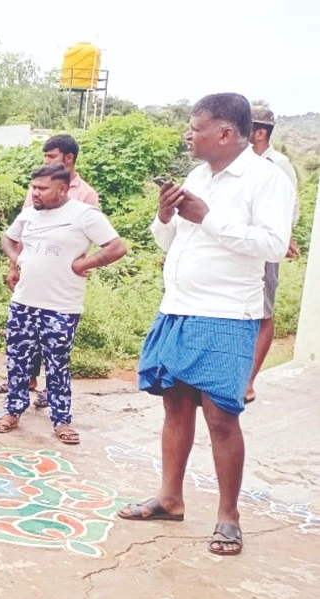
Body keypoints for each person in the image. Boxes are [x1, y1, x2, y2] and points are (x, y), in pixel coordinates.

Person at [119, 93, 294, 557]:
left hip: (226, 315)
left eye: (196, 127)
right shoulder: (199, 176)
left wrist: (208, 218)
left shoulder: (267, 179)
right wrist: (164, 215)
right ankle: (169, 498)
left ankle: (228, 517)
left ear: (224, 133)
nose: (188, 134)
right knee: (175, 405)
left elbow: (274, 245)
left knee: (220, 416)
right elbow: (171, 238)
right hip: (177, 307)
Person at [0, 164, 128, 444]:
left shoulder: (84, 215)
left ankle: (61, 421)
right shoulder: (30, 214)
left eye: (42, 188)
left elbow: (117, 247)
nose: (35, 193)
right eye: (34, 187)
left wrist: (84, 263)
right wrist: (17, 260)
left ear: (62, 189)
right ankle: (12, 412)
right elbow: (8, 237)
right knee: (17, 362)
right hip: (23, 302)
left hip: (61, 306)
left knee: (57, 364)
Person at [0, 134, 102, 404]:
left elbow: (93, 238)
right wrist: (14, 265)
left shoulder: (86, 195)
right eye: (45, 157)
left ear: (69, 158)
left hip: (61, 283)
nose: (47, 161)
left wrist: (81, 263)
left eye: (51, 157)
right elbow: (21, 231)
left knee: (55, 344)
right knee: (23, 335)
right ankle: (23, 382)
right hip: (31, 276)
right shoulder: (38, 188)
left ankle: (50, 393)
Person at [245, 105, 300, 404]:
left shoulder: (278, 165)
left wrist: (283, 237)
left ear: (260, 132)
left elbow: (289, 209)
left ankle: (249, 381)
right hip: (240, 246)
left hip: (264, 246)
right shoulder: (239, 163)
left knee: (263, 312)